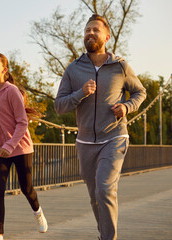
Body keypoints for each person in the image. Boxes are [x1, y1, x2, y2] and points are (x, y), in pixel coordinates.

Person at [54, 14, 146, 240]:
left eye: (95, 30)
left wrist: (126, 107)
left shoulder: (120, 66)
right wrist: (80, 93)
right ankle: (104, 233)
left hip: (114, 137)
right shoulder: (73, 69)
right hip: (85, 142)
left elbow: (140, 92)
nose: (90, 33)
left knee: (104, 189)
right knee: (95, 196)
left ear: (107, 36)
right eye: (87, 30)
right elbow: (59, 106)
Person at [0, 53, 48, 240]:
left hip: (21, 147)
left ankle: (38, 213)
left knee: (26, 188)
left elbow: (22, 123)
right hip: (1, 149)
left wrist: (10, 145)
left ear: (4, 69)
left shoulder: (11, 91)